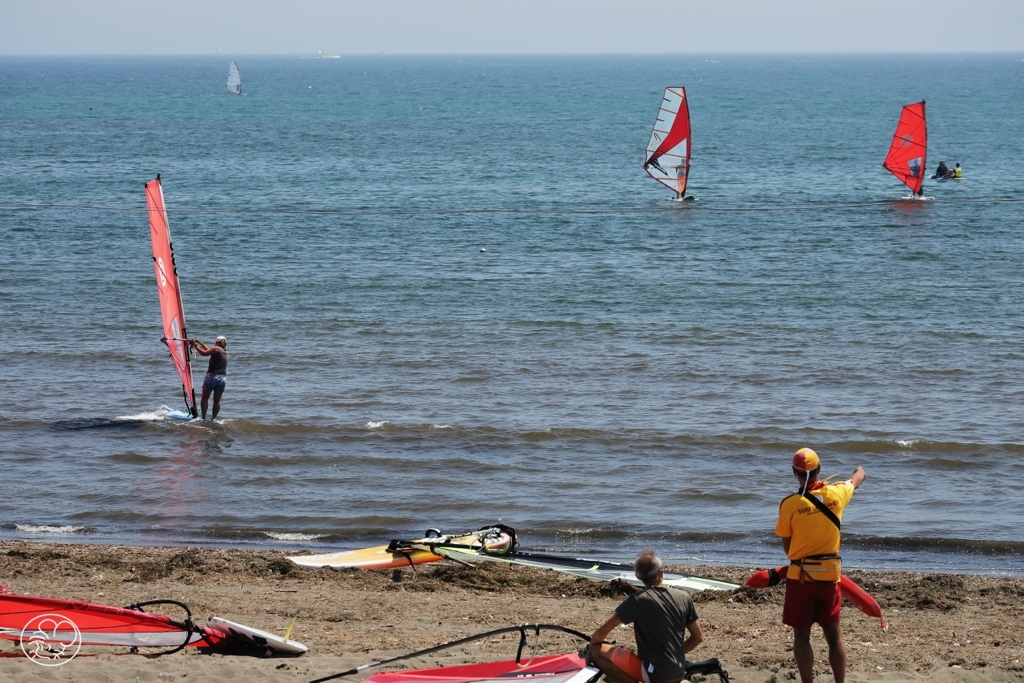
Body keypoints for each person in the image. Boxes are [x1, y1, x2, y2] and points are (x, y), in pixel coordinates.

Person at [776, 448, 866, 683]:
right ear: (820, 470)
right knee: (834, 638)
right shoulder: (837, 493)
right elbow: (858, 477)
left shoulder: (789, 504)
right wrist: (857, 471)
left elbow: (788, 549)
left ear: (794, 473)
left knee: (802, 638)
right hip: (829, 579)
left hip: (800, 578)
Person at [588, 551, 704, 683]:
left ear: (638, 575)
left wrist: (590, 651)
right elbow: (698, 637)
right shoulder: (684, 597)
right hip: (678, 672)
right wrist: (673, 654)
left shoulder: (638, 601)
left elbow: (601, 633)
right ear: (661, 572)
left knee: (595, 651)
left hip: (655, 675)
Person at [191, 335, 228, 420]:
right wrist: (200, 343)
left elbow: (203, 353)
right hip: (222, 379)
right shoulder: (225, 352)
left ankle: (203, 418)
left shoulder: (216, 349)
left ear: (217, 342)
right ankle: (213, 419)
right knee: (217, 401)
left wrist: (195, 345)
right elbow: (208, 350)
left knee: (204, 398)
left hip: (212, 377)